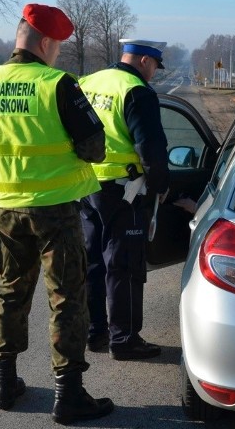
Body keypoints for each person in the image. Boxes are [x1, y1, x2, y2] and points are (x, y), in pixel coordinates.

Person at [0, 3, 114, 425]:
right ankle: (69, 396)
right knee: (66, 298)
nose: (58, 55)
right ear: (45, 42)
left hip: (6, 209)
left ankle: (5, 384)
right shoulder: (57, 85)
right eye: (58, 48)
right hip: (56, 210)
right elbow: (94, 148)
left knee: (11, 290)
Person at [78, 39, 170, 361]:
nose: (155, 74)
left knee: (93, 262)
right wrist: (160, 186)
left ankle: (95, 333)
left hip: (86, 187)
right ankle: (125, 340)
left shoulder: (88, 82)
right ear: (145, 60)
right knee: (124, 267)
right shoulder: (137, 90)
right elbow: (151, 149)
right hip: (124, 193)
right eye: (156, 66)